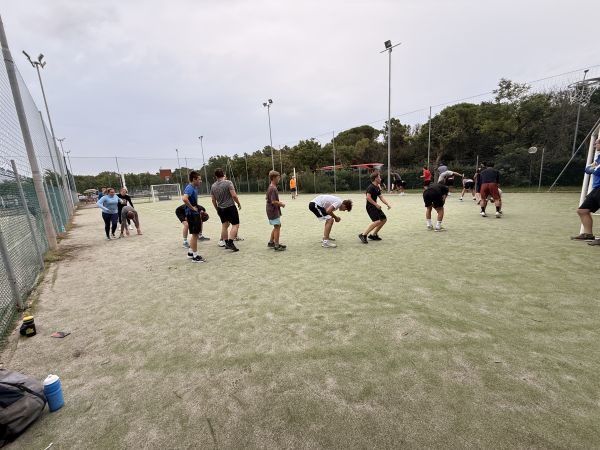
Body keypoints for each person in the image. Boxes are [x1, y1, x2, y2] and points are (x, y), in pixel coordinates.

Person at [573, 138, 600, 243]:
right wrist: (593, 168)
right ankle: (588, 235)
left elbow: (597, 171)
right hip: (596, 189)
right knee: (582, 210)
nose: (594, 146)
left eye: (596, 144)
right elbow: (587, 169)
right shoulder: (598, 157)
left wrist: (593, 169)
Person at [211, 168, 242, 252]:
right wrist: (238, 203)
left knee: (224, 226)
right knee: (235, 225)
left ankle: (226, 242)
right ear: (223, 174)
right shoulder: (228, 183)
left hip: (221, 209)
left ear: (216, 176)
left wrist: (217, 209)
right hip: (230, 207)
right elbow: (234, 195)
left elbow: (213, 200)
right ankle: (230, 243)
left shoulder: (213, 186)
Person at [358, 171, 391, 243]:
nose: (380, 179)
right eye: (379, 177)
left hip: (375, 206)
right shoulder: (371, 187)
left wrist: (387, 204)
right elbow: (368, 197)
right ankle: (363, 235)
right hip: (370, 207)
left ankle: (373, 235)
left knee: (384, 219)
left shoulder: (377, 187)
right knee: (377, 221)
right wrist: (376, 204)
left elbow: (381, 197)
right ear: (376, 178)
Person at [182, 171, 207, 263]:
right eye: (199, 179)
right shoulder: (190, 188)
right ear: (194, 179)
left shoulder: (194, 187)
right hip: (191, 214)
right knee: (195, 235)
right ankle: (195, 257)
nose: (201, 181)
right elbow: (184, 198)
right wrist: (192, 208)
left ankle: (190, 253)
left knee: (195, 235)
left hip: (193, 213)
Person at [266, 170, 286, 251]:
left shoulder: (271, 187)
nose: (279, 179)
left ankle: (271, 242)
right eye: (278, 177)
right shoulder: (273, 188)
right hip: (272, 210)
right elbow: (273, 201)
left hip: (272, 210)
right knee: (277, 226)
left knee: (277, 225)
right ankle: (276, 245)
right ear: (274, 178)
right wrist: (281, 204)